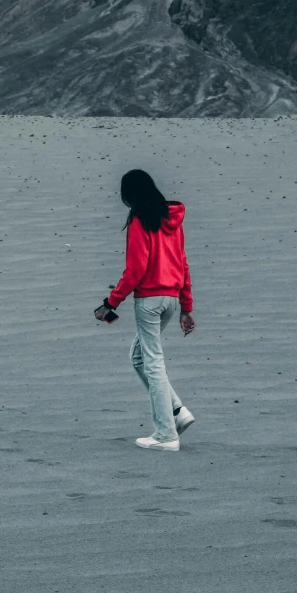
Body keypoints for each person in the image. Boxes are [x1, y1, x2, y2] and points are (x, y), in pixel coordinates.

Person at [94, 169, 195, 450]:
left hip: (150, 300)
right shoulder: (172, 221)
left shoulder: (140, 219)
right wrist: (186, 307)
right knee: (140, 357)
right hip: (171, 300)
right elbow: (183, 265)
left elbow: (136, 269)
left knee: (152, 362)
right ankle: (177, 412)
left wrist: (110, 303)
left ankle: (166, 434)